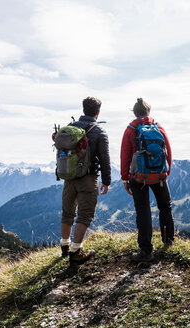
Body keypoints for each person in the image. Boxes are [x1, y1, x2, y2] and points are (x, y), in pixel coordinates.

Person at [120, 98, 174, 262]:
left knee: (143, 211)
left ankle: (145, 250)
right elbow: (168, 152)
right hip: (159, 175)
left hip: (138, 177)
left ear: (134, 113)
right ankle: (168, 242)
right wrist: (165, 172)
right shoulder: (159, 128)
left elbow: (125, 156)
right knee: (165, 206)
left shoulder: (130, 130)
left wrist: (125, 179)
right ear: (148, 112)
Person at [60, 97, 111, 266]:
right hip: (88, 178)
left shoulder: (71, 128)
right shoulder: (99, 131)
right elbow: (104, 159)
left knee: (67, 212)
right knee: (84, 215)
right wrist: (106, 180)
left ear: (83, 110)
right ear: (98, 112)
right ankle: (76, 252)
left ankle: (65, 246)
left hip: (69, 177)